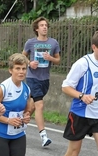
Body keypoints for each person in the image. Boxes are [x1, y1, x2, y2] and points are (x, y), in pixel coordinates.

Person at [22, 16, 60, 148]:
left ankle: (20, 123)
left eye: (46, 25)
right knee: (39, 105)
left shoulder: (53, 43)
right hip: (32, 78)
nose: (44, 27)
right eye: (42, 25)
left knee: (32, 106)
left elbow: (58, 60)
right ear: (36, 29)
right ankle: (43, 136)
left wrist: (50, 58)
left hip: (45, 79)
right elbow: (22, 56)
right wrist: (29, 63)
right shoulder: (30, 43)